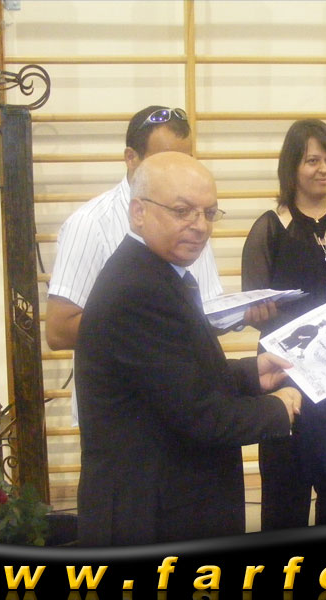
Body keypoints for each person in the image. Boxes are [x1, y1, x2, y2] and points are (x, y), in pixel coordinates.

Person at [74, 151, 302, 546]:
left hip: (161, 501)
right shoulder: (140, 289)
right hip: (151, 513)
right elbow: (201, 416)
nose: (199, 226)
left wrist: (251, 372)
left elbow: (174, 377)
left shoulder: (154, 272)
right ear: (138, 212)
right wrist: (277, 409)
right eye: (182, 211)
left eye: (209, 213)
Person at [46, 105, 222, 424]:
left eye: (186, 159)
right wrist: (147, 323)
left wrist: (240, 314)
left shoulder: (195, 221)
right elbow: (58, 330)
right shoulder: (90, 223)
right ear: (131, 158)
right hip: (125, 418)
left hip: (187, 403)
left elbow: (203, 313)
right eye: (164, 159)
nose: (178, 170)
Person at [241, 119, 326, 530]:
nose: (323, 169)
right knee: (285, 488)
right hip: (287, 375)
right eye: (312, 160)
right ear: (292, 166)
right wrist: (258, 313)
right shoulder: (270, 227)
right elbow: (254, 305)